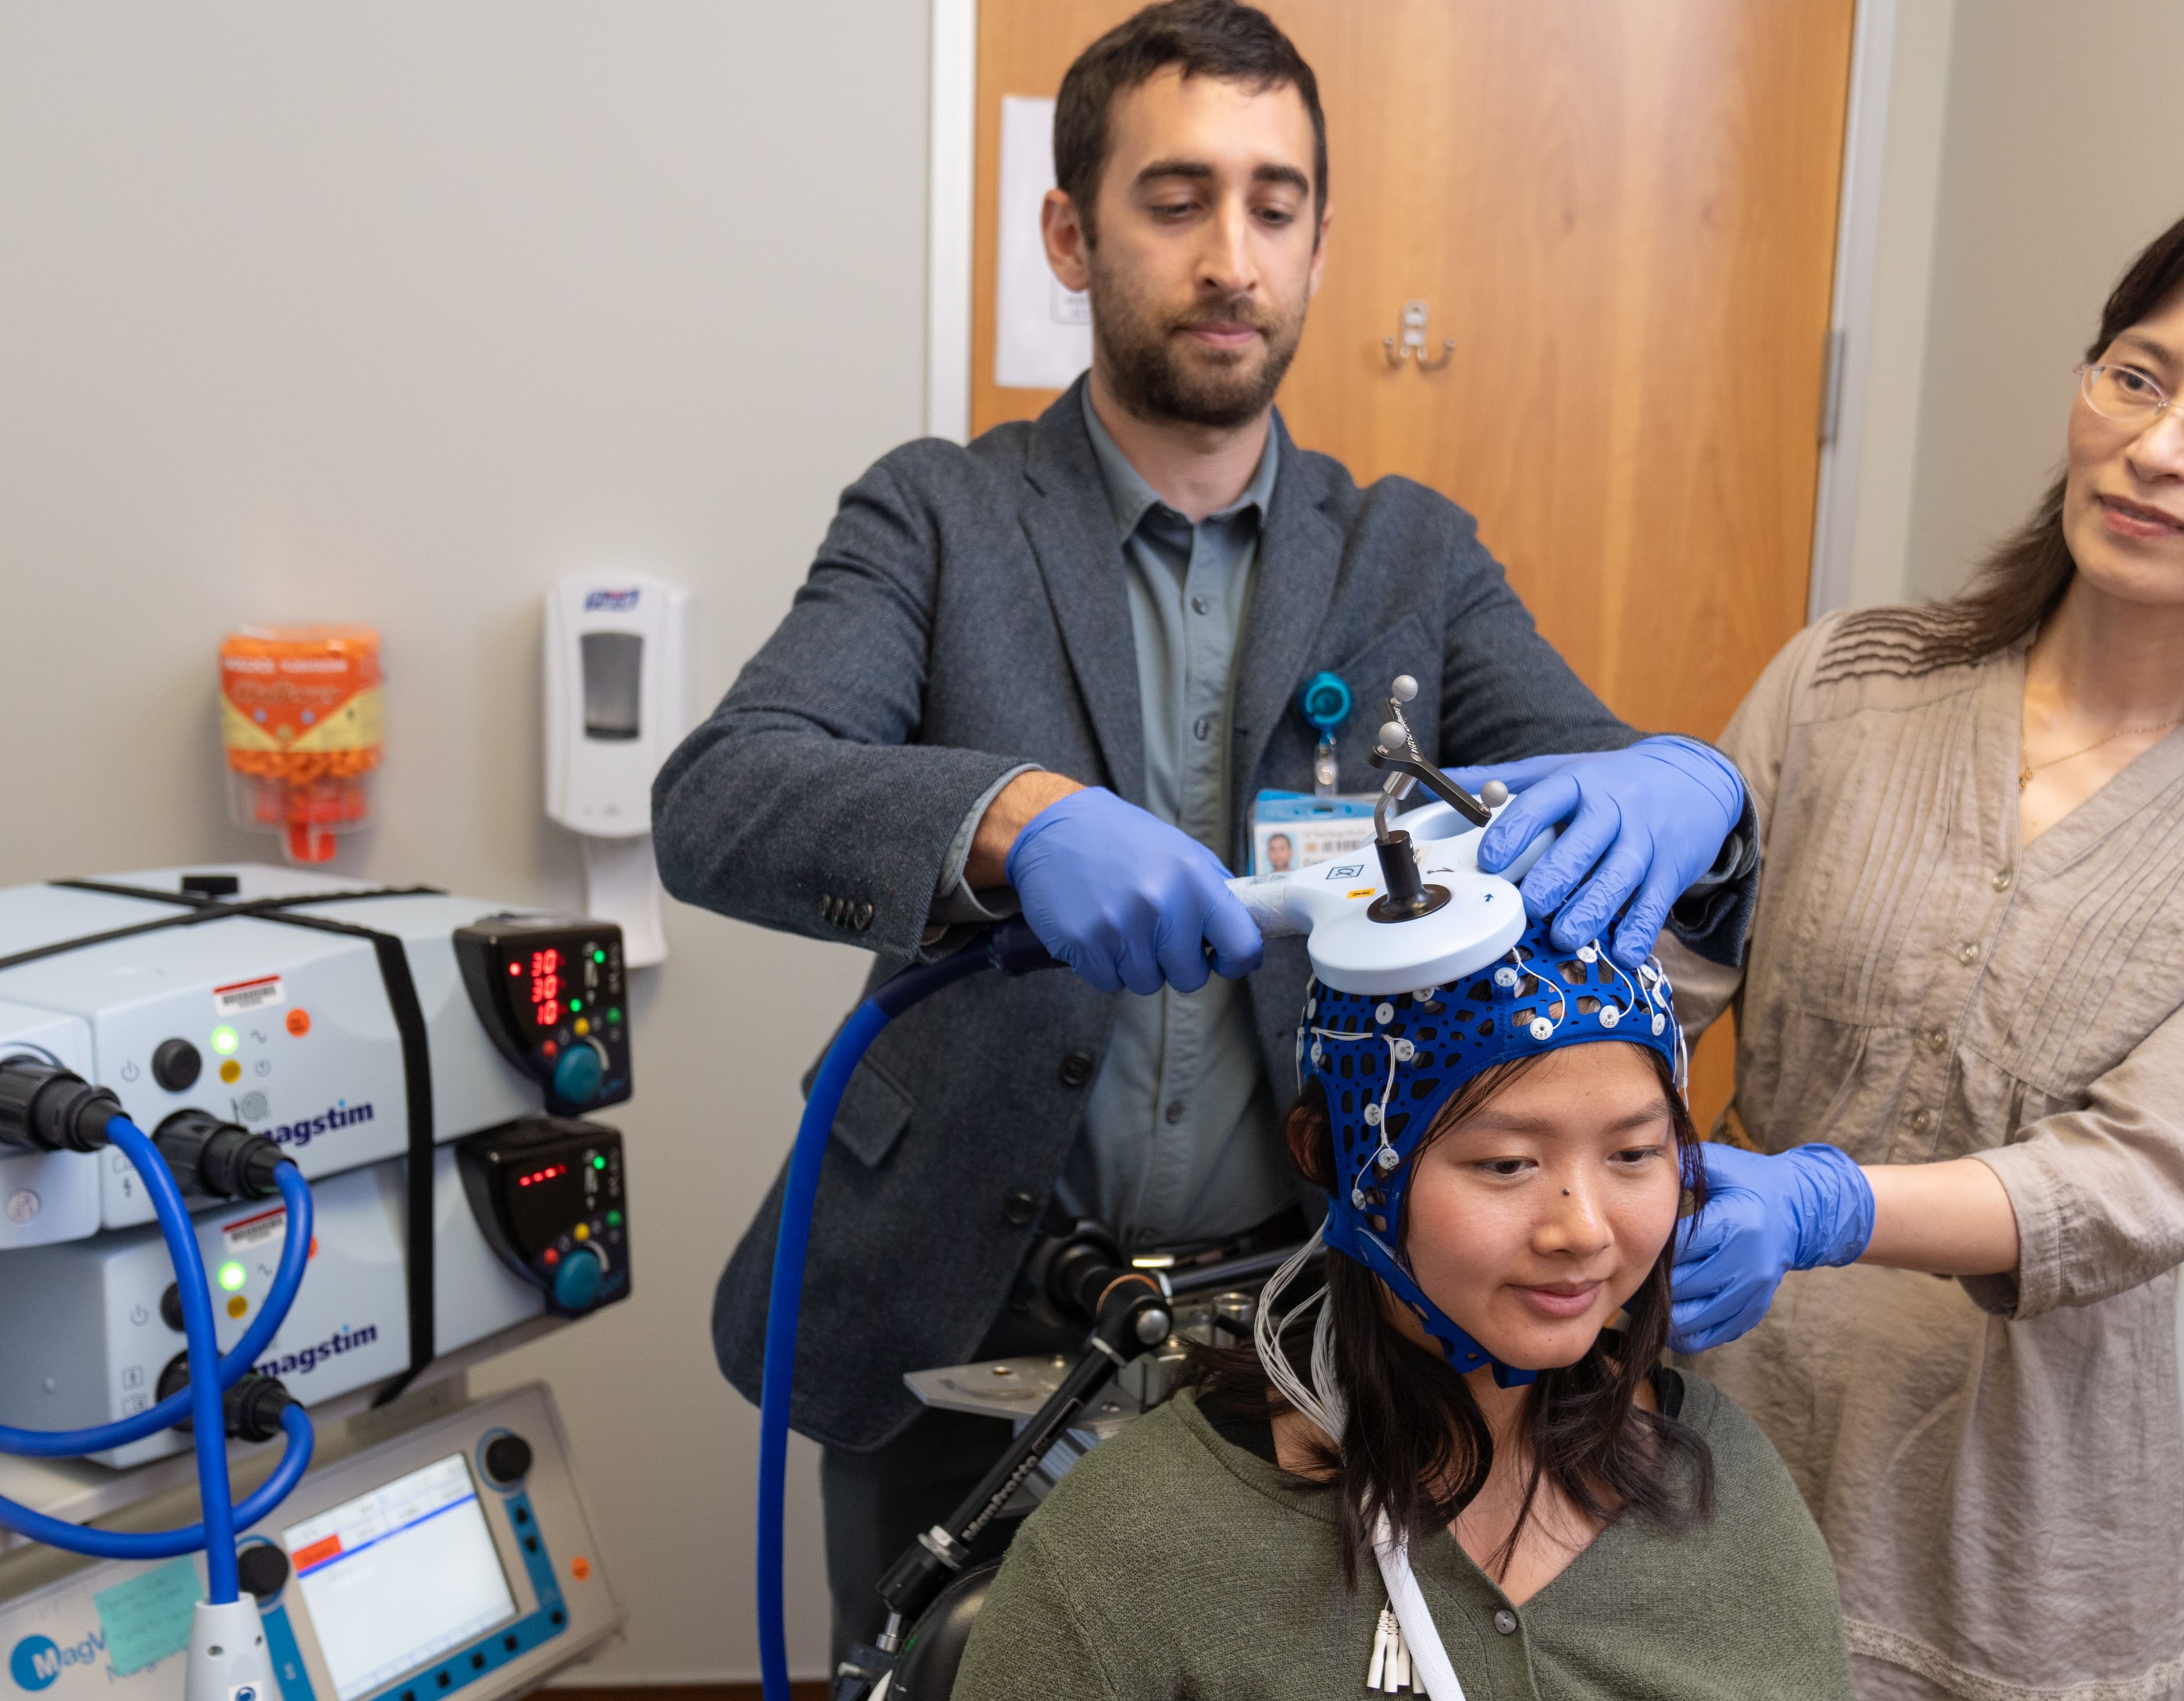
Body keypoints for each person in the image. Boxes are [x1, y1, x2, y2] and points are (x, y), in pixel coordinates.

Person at [651, 0, 1757, 1666]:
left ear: (1317, 240)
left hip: (1295, 1325)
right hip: (956, 1291)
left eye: (1275, 202)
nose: (1230, 254)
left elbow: (1622, 819)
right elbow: (725, 792)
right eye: (1175, 200)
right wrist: (1011, 819)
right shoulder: (937, 514)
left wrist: (1696, 787)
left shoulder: (1407, 555)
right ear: (1070, 232)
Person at [1647, 181, 2184, 1701]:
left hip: (2008, 1489)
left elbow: (2152, 1173)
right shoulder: (1846, 680)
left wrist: (1823, 1202)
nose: (2155, 446)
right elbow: (1645, 994)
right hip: (1704, 1410)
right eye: (2135, 375)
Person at [951, 937, 1851, 1700]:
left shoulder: (1724, 1491)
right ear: (1340, 1160)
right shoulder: (1133, 1550)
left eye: (1634, 1152)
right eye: (1506, 1163)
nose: (1582, 1228)